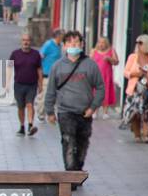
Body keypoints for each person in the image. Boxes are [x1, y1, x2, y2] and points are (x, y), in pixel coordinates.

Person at [43, 30, 104, 185]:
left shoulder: (90, 65)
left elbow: (100, 87)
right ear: (64, 46)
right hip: (65, 111)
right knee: (68, 141)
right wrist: (49, 111)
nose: (73, 45)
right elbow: (50, 90)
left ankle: (77, 169)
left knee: (82, 143)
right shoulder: (57, 66)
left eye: (76, 43)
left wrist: (93, 107)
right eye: (70, 43)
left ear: (82, 44)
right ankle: (70, 176)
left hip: (85, 112)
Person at [124, 34, 148, 142]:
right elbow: (125, 72)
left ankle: (146, 136)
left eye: (140, 43)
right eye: (137, 42)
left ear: (147, 44)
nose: (138, 45)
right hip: (134, 90)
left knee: (147, 112)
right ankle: (137, 135)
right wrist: (134, 73)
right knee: (135, 113)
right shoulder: (132, 57)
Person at [9, 32, 43, 136]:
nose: (26, 42)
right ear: (21, 42)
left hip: (31, 85)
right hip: (18, 84)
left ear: (30, 42)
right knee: (20, 107)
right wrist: (7, 83)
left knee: (29, 104)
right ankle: (22, 126)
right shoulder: (14, 54)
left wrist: (40, 84)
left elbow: (39, 69)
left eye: (27, 40)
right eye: (24, 40)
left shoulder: (36, 54)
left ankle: (30, 125)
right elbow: (9, 67)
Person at [90, 37, 119, 121]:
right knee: (95, 93)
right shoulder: (94, 51)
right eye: (100, 42)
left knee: (106, 92)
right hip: (95, 76)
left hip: (106, 75)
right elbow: (89, 62)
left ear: (106, 43)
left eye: (103, 42)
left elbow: (116, 62)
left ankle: (105, 112)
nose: (101, 44)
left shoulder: (111, 50)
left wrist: (110, 59)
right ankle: (95, 112)